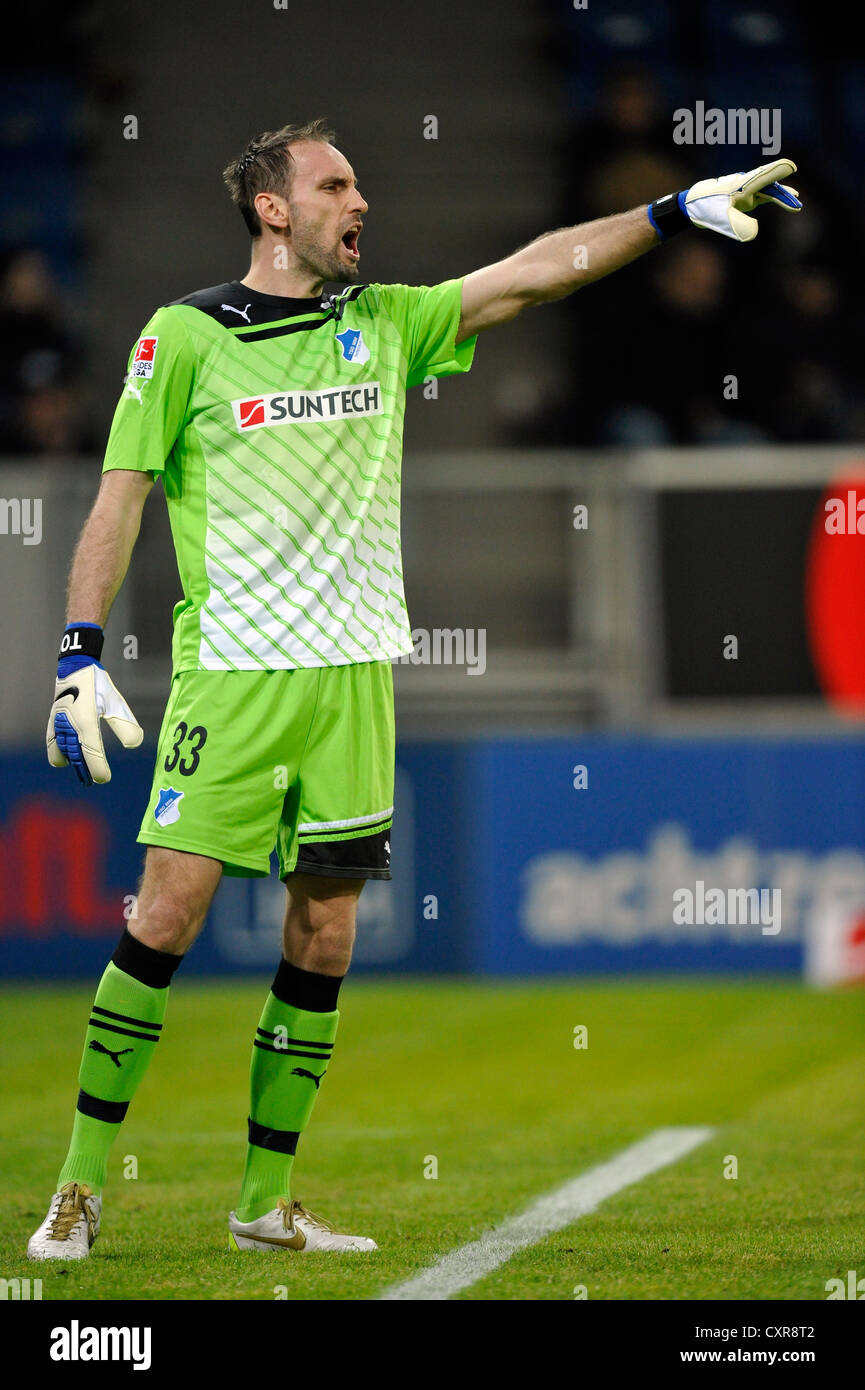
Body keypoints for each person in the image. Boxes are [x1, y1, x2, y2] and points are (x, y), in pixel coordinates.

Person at [27, 120, 801, 1260]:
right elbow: (122, 495)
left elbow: (534, 273)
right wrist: (78, 647)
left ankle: (264, 1200)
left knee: (327, 933)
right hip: (233, 679)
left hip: (352, 683)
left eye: (361, 181)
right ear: (272, 209)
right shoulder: (183, 336)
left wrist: (668, 212)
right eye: (336, 183)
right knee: (166, 910)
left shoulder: (385, 322)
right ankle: (80, 1188)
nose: (362, 200)